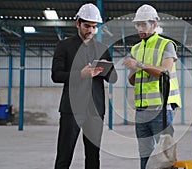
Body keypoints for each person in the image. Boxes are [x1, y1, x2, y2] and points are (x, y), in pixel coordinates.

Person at [51, 3, 117, 169]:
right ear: (77, 23)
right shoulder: (64, 46)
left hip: (95, 110)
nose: (90, 30)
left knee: (93, 156)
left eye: (94, 27)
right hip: (71, 109)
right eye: (87, 26)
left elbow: (113, 78)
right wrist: (80, 74)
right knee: (64, 154)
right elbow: (56, 75)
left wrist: (106, 70)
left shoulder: (102, 48)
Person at [122, 4, 181, 169]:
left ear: (154, 25)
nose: (139, 28)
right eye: (137, 24)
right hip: (141, 110)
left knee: (165, 155)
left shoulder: (166, 45)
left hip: (160, 109)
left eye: (143, 24)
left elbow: (165, 72)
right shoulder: (136, 48)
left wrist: (139, 64)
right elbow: (132, 81)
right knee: (144, 155)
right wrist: (133, 71)